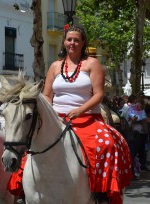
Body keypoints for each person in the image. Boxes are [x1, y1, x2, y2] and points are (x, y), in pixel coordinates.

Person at [42, 24, 132, 203]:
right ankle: (25, 188)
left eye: (76, 40)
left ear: (83, 43)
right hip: (57, 119)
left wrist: (79, 110)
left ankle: (102, 191)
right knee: (29, 146)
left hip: (87, 119)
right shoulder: (54, 66)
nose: (72, 43)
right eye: (69, 39)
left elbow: (99, 94)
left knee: (108, 144)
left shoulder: (92, 64)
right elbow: (46, 95)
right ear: (64, 42)